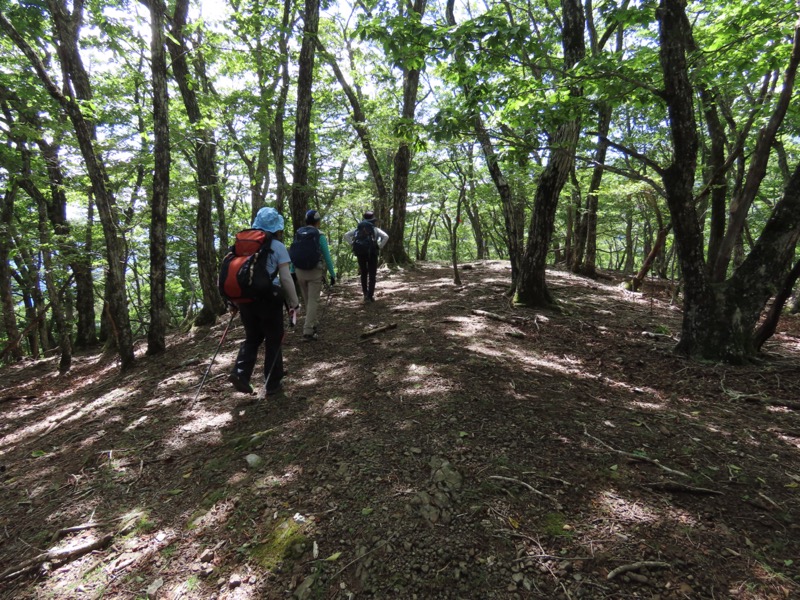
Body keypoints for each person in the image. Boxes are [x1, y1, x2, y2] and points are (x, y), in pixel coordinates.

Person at [229, 206, 300, 396]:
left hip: (245, 299)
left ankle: (240, 373)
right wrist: (294, 302)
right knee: (273, 339)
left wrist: (233, 301)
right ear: (276, 226)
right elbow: (285, 278)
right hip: (269, 298)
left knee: (252, 337)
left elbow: (236, 273)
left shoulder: (241, 244)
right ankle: (272, 383)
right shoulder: (277, 246)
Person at [292, 210, 337, 341]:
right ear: (318, 221)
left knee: (307, 300)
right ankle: (308, 331)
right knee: (313, 300)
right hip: (314, 271)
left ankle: (313, 323)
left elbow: (294, 252)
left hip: (299, 270)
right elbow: (327, 256)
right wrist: (332, 274)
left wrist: (292, 270)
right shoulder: (320, 235)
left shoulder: (299, 234)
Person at [344, 210, 389, 302]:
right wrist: (379, 246)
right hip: (372, 253)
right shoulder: (375, 229)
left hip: (360, 253)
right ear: (373, 220)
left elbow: (346, 235)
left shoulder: (358, 229)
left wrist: (352, 244)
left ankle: (365, 294)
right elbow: (386, 236)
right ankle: (370, 295)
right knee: (372, 274)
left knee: (363, 273)